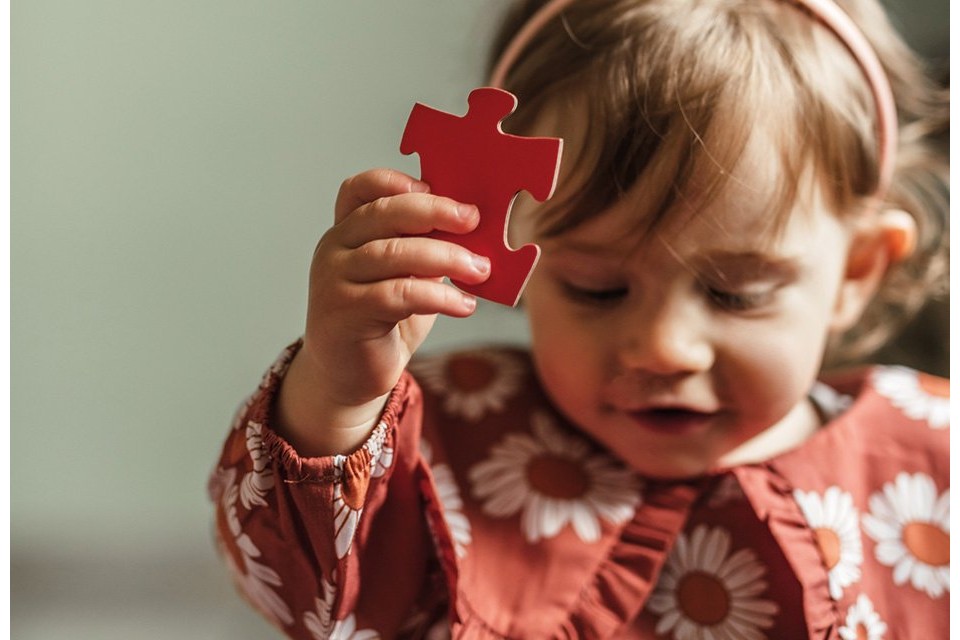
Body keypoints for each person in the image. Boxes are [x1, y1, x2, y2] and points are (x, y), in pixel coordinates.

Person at [208, 0, 949, 637]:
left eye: (735, 295)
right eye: (596, 288)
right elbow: (299, 595)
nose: (663, 347)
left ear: (858, 271)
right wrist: (338, 391)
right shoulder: (448, 436)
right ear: (508, 248)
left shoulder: (930, 459)